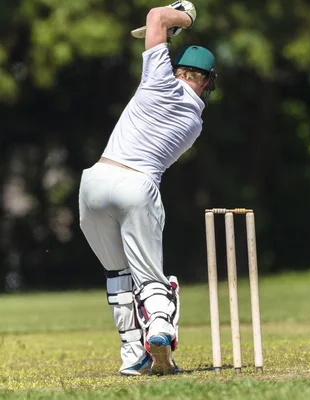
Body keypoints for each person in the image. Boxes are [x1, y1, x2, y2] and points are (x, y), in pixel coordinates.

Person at [78, 0, 217, 375]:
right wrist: (179, 25)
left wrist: (182, 17)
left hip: (94, 183)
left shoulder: (158, 78)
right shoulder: (195, 122)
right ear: (205, 82)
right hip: (137, 186)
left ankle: (131, 357)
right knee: (149, 276)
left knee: (117, 276)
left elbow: (155, 16)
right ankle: (158, 328)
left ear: (177, 69)